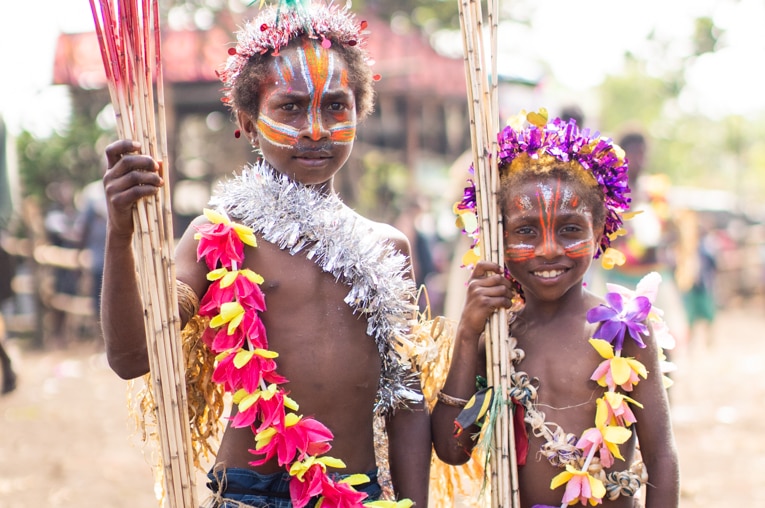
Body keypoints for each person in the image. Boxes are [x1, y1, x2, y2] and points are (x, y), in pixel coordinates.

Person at [100, 3, 430, 507]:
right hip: (252, 494)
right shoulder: (221, 237)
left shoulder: (388, 248)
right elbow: (132, 357)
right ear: (248, 123)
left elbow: (405, 400)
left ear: (359, 114)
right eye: (290, 108)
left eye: (335, 106)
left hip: (355, 494)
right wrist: (120, 233)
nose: (315, 130)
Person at [431, 113, 679, 507]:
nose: (548, 249)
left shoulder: (625, 333)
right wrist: (467, 335)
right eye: (526, 231)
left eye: (569, 229)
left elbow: (661, 458)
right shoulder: (496, 339)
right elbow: (452, 448)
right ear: (496, 238)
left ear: (600, 231)